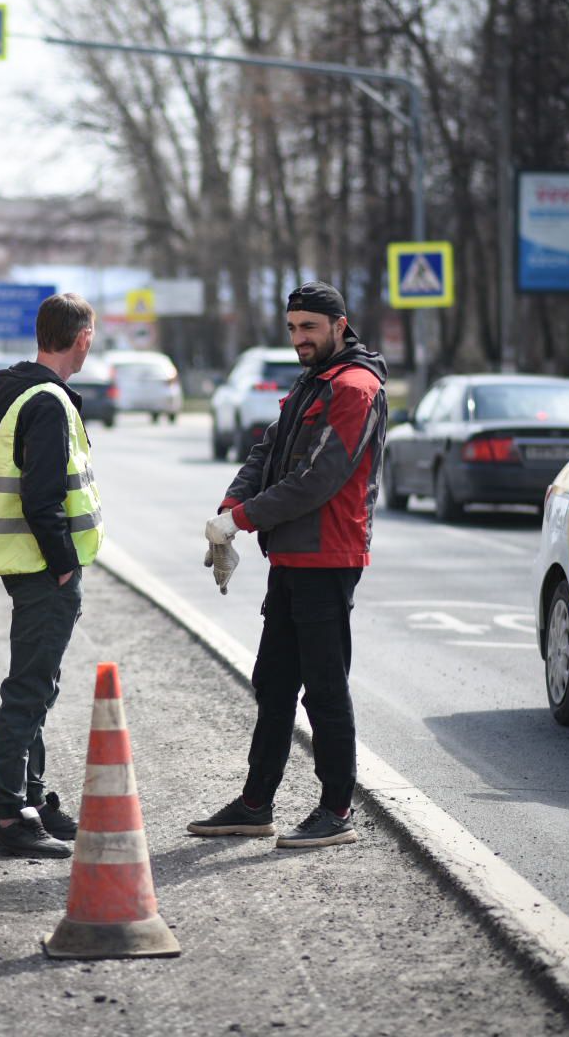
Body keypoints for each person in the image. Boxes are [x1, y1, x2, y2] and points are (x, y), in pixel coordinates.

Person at [191, 281, 387, 849]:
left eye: (310, 328)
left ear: (339, 325)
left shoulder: (354, 387)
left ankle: (337, 810)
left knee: (324, 688)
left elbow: (318, 480)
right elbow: (266, 453)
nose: (299, 338)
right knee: (273, 682)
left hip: (329, 556)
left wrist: (241, 521)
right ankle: (255, 804)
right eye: (293, 328)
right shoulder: (314, 382)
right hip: (293, 556)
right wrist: (230, 508)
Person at [0, 293, 105, 858]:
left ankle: (32, 800)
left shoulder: (24, 393)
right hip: (42, 569)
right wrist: (62, 567)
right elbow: (43, 498)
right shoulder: (48, 402)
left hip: (29, 566)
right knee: (29, 690)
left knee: (38, 686)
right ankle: (10, 819)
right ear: (82, 338)